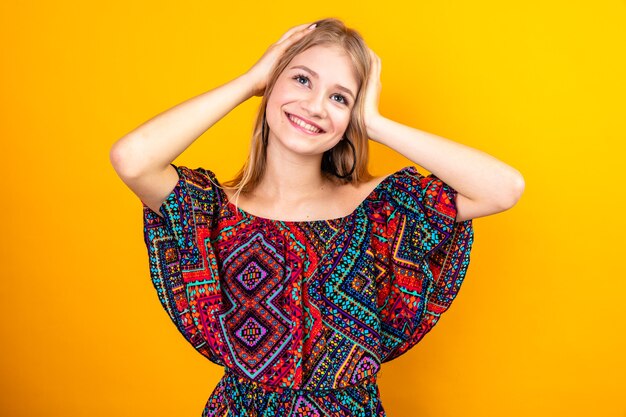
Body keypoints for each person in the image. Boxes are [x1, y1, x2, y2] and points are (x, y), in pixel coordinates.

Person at [110, 18, 524, 417]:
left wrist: (374, 125)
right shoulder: (212, 211)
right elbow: (132, 160)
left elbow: (503, 188)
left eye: (340, 97)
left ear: (352, 116)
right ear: (272, 83)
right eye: (302, 79)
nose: (315, 106)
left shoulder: (380, 211)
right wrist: (249, 82)